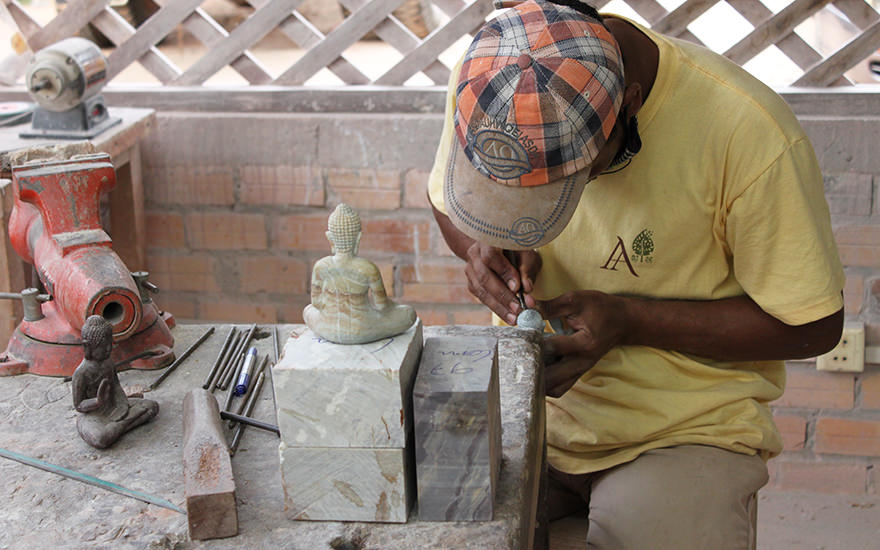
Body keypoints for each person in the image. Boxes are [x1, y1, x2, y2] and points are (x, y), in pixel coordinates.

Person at [427, 1, 844, 548]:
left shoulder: (748, 133)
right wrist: (483, 246)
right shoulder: (492, 79)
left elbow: (814, 327)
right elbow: (448, 202)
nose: (542, 215)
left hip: (684, 428)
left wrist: (630, 320)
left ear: (630, 106)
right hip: (526, 411)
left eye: (571, 180)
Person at [303, 203, 416, 344]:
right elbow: (381, 306)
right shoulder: (367, 268)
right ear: (358, 238)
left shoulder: (321, 266)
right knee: (409, 314)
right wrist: (395, 306)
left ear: (330, 238)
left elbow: (316, 303)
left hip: (326, 328)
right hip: (362, 328)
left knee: (307, 310)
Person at [72, 315, 159, 449]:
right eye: (103, 346)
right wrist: (97, 401)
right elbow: (79, 404)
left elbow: (117, 387)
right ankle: (122, 425)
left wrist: (122, 407)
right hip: (94, 415)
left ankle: (118, 427)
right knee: (100, 438)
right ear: (87, 346)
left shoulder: (108, 363)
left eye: (110, 345)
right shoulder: (81, 373)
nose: (108, 349)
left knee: (151, 406)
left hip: (115, 407)